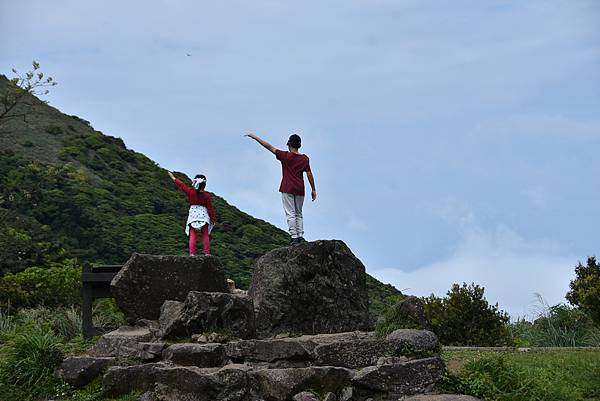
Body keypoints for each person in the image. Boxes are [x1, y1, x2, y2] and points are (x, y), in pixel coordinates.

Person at [245, 132, 316, 244]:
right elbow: (309, 174)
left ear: (289, 144)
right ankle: (301, 236)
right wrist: (313, 189)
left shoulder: (285, 156)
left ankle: (294, 237)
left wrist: (256, 138)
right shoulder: (305, 159)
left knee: (290, 213)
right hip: (299, 189)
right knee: (298, 213)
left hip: (287, 188)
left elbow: (269, 147)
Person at [168, 171, 217, 256]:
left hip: (193, 216)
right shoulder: (207, 195)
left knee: (193, 235)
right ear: (204, 184)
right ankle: (207, 253)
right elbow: (210, 209)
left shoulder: (191, 192)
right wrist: (213, 219)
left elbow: (182, 185)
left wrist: (173, 178)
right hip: (203, 216)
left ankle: (192, 254)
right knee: (205, 235)